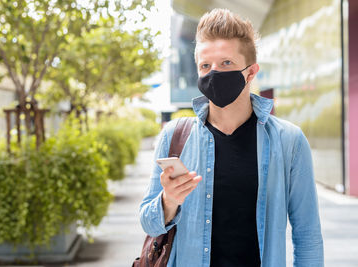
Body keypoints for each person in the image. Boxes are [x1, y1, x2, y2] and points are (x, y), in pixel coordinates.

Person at [139, 8, 324, 267]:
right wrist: (168, 201)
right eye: (205, 66)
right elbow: (148, 222)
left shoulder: (289, 141)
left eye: (226, 63)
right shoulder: (174, 136)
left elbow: (308, 236)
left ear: (251, 71)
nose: (214, 73)